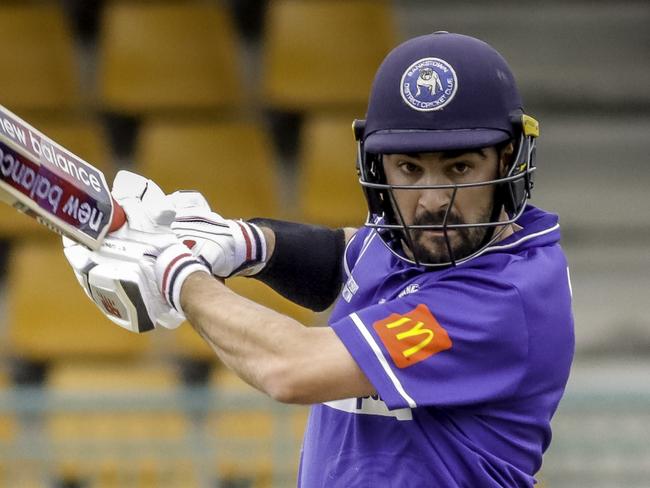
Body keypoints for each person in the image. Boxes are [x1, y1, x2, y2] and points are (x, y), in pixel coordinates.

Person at [64, 32, 574, 487]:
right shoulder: (412, 242)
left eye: (459, 167)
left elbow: (291, 369)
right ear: (379, 167)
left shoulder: (502, 297)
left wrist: (180, 277)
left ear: (507, 161)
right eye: (409, 168)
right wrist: (243, 241)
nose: (432, 201)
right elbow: (344, 258)